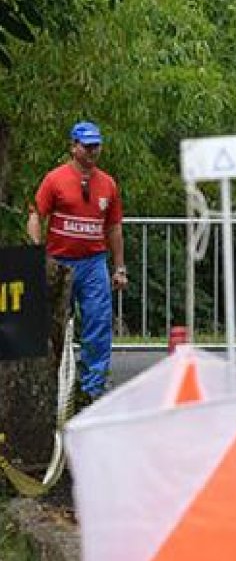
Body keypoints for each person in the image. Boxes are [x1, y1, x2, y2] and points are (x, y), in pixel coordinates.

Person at [26, 121, 128, 403]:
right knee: (52, 324)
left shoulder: (108, 184)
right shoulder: (55, 179)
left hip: (94, 263)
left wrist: (119, 268)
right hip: (59, 261)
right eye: (87, 146)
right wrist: (36, 255)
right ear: (74, 147)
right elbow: (36, 215)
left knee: (98, 322)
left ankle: (92, 389)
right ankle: (50, 383)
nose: (93, 151)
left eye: (97, 145)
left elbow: (114, 227)